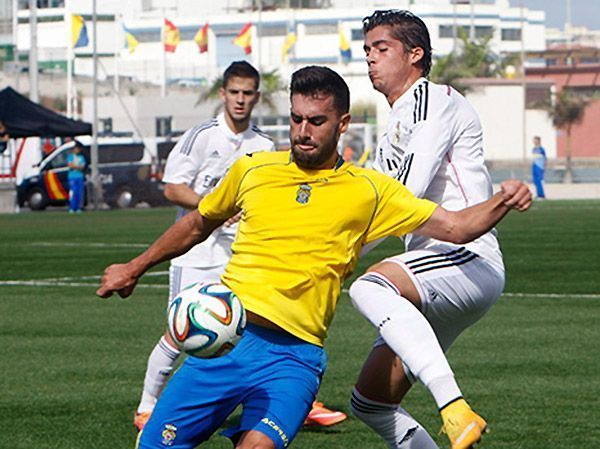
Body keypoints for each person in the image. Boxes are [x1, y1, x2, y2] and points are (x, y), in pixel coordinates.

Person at [97, 65, 531, 449]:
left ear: (342, 123)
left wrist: (503, 200)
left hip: (294, 360)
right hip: (226, 345)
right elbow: (197, 223)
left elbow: (455, 227)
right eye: (296, 119)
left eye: (317, 122)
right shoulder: (253, 169)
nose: (303, 131)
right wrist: (134, 268)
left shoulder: (369, 190)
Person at [134, 60, 345, 433]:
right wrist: (217, 204)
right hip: (197, 254)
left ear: (257, 97)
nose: (241, 100)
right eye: (234, 92)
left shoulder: (263, 144)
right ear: (223, 94)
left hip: (239, 257)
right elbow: (171, 188)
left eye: (248, 93)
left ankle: (289, 398)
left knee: (247, 333)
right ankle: (148, 405)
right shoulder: (202, 136)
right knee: (184, 331)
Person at [348, 10, 514, 449]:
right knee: (370, 404)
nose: (370, 59)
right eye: (366, 51)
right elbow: (383, 213)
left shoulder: (432, 101)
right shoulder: (396, 123)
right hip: (427, 273)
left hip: (466, 257)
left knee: (369, 288)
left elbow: (405, 192)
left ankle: (454, 407)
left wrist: (345, 248)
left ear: (415, 54)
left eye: (381, 49)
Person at [67, 141, 86, 213]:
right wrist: (77, 166)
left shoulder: (81, 157)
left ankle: (78, 208)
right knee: (73, 192)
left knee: (79, 193)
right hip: (72, 177)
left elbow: (82, 167)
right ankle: (72, 207)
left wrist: (76, 167)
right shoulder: (70, 157)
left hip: (79, 177)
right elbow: (70, 166)